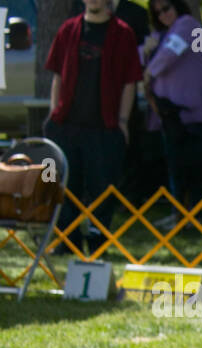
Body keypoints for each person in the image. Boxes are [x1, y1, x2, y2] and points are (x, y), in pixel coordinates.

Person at [44, 0, 143, 252]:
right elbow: (57, 75)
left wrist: (122, 122)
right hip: (67, 125)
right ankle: (67, 242)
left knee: (103, 192)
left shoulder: (123, 33)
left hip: (105, 128)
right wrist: (55, 113)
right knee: (66, 188)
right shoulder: (68, 30)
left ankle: (98, 243)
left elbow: (130, 82)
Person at [141, 0, 202, 225]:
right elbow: (147, 54)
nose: (164, 15)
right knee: (176, 165)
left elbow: (167, 56)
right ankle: (180, 213)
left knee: (189, 165)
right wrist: (146, 52)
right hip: (170, 114)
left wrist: (147, 74)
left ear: (178, 6)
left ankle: (192, 214)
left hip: (190, 112)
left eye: (167, 8)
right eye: (158, 13)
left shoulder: (189, 25)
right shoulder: (166, 33)